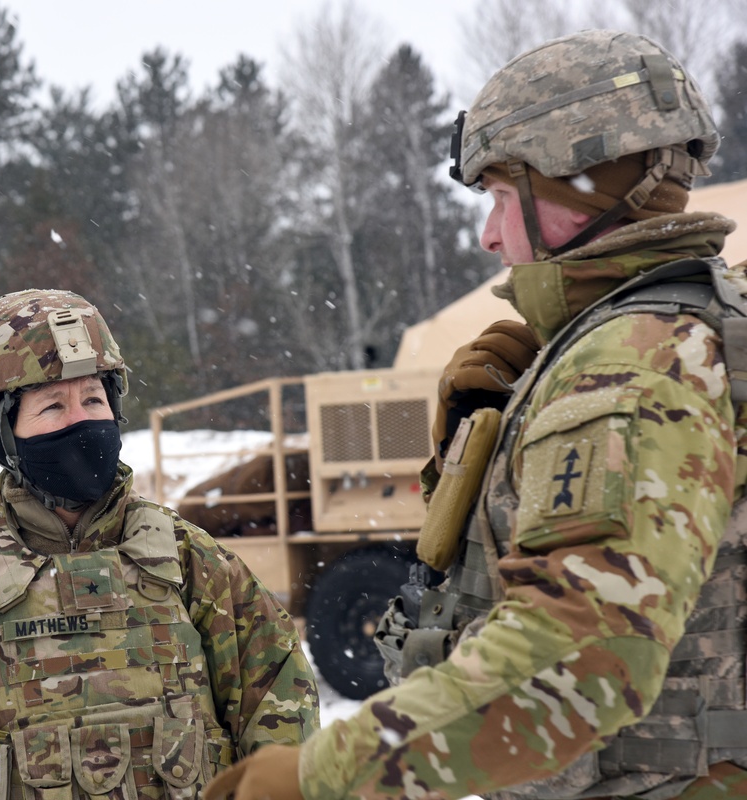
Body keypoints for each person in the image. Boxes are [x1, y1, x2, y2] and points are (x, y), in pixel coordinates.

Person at [204, 29, 747, 800]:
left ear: (580, 186)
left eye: (500, 197)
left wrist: (320, 777)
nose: (490, 234)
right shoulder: (693, 324)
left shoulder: (630, 364)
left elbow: (581, 656)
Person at [0, 288, 320, 799]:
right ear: (2, 434)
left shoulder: (190, 563)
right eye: (52, 406)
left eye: (93, 399)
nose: (82, 422)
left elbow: (283, 730)